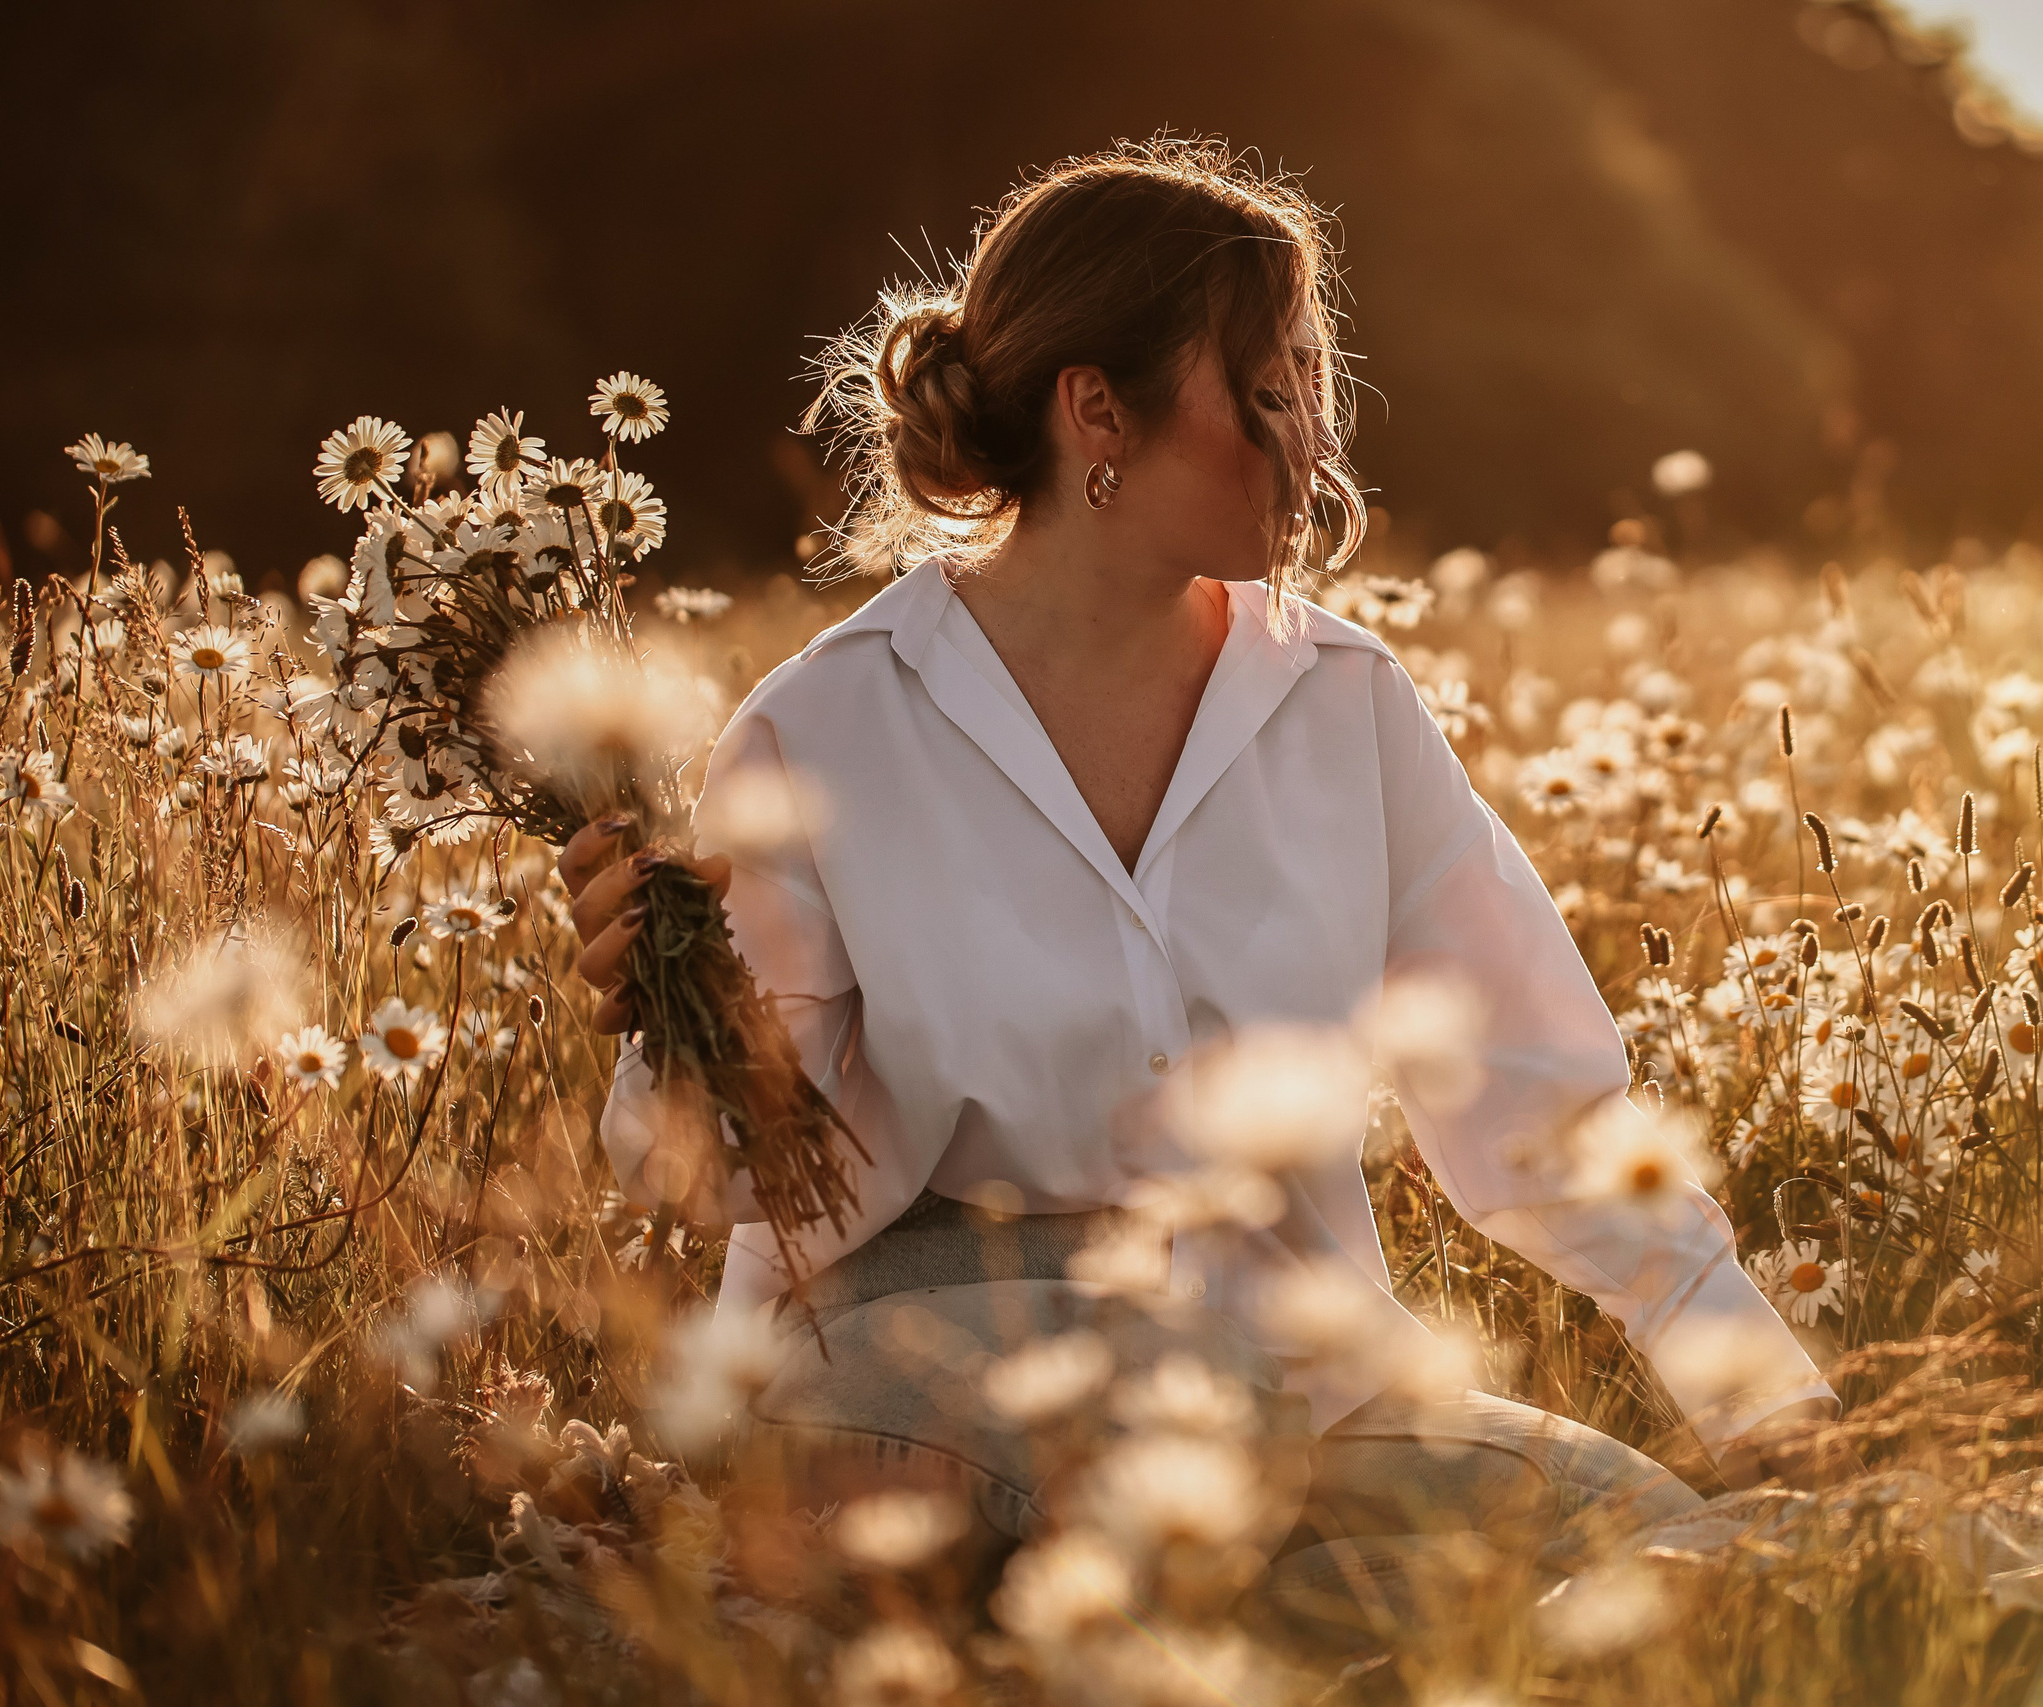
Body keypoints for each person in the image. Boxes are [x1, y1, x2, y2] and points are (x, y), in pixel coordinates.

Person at [562, 137, 1849, 1639]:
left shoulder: (1344, 705)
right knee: (1261, 1509)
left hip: (1307, 1388)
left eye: (1313, 381)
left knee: (1695, 1571)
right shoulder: (830, 729)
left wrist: (1765, 1405)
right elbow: (725, 1177)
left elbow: (1538, 1100)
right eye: (1266, 387)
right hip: (906, 1385)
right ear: (1094, 408)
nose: (1312, 437)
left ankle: (1288, 1616)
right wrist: (671, 1020)